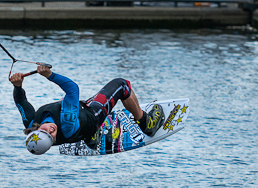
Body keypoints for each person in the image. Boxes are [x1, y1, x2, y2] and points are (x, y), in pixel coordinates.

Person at [9, 65, 165, 155]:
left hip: (79, 120)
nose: (51, 130)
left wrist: (17, 86)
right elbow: (72, 89)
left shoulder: (30, 123)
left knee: (67, 104)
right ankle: (146, 123)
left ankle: (90, 139)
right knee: (122, 85)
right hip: (91, 116)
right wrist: (50, 75)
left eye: (45, 132)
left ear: (35, 130)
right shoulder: (66, 120)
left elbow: (21, 101)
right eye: (52, 136)